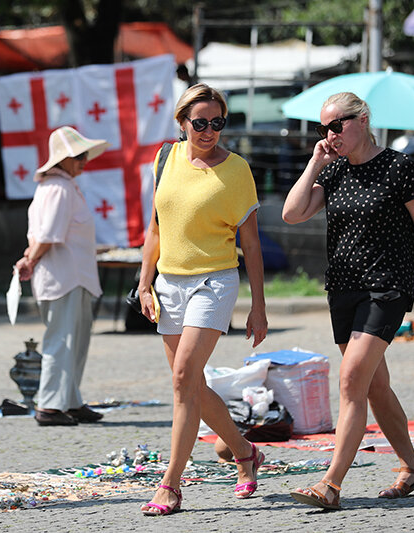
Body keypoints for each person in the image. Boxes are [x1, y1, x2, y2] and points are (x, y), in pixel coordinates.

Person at [282, 92, 414, 510]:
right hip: (344, 289)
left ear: (362, 119)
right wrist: (316, 161)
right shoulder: (333, 172)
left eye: (337, 125)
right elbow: (291, 214)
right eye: (322, 128)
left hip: (387, 288)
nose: (330, 135)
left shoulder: (402, 169)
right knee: (375, 386)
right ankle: (412, 468)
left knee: (350, 381)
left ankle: (330, 484)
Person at [136, 83, 268, 516]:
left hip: (215, 281)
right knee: (191, 383)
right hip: (169, 284)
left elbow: (251, 243)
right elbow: (155, 228)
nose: (209, 130)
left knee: (181, 379)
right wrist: (144, 283)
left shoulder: (237, 170)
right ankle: (245, 452)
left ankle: (170, 484)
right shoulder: (164, 158)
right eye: (200, 122)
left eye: (217, 122)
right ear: (182, 123)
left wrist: (259, 306)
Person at [14, 126, 111, 427]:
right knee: (62, 341)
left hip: (70, 276)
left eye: (84, 154)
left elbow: (45, 236)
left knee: (74, 341)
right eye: (77, 155)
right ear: (62, 159)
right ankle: (50, 405)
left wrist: (30, 257)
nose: (83, 160)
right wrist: (32, 258)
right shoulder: (58, 188)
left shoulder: (60, 186)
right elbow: (48, 235)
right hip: (64, 277)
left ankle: (69, 400)